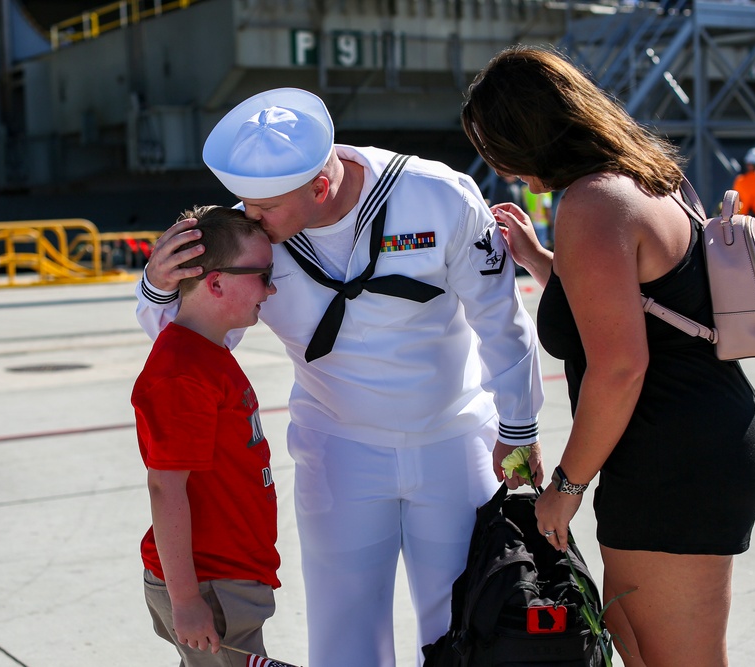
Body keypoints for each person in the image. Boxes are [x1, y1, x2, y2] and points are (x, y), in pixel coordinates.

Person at [135, 87, 546, 667]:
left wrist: (520, 424)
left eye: (263, 208)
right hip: (340, 451)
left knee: (466, 623)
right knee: (343, 634)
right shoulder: (257, 240)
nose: (250, 219)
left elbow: (500, 317)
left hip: (452, 441)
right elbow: (192, 339)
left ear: (320, 186)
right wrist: (157, 284)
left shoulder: (436, 195)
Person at [461, 47, 755, 667]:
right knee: (638, 647)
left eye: (498, 148)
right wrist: (538, 258)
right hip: (682, 444)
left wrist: (565, 488)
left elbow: (620, 366)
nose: (503, 167)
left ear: (526, 136)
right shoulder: (644, 179)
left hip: (674, 461)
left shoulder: (592, 203)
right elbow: (631, 302)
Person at [132, 205, 280, 667]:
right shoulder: (183, 373)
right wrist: (186, 601)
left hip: (226, 575)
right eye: (262, 275)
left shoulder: (207, 353)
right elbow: (165, 486)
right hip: (211, 585)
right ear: (216, 283)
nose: (271, 289)